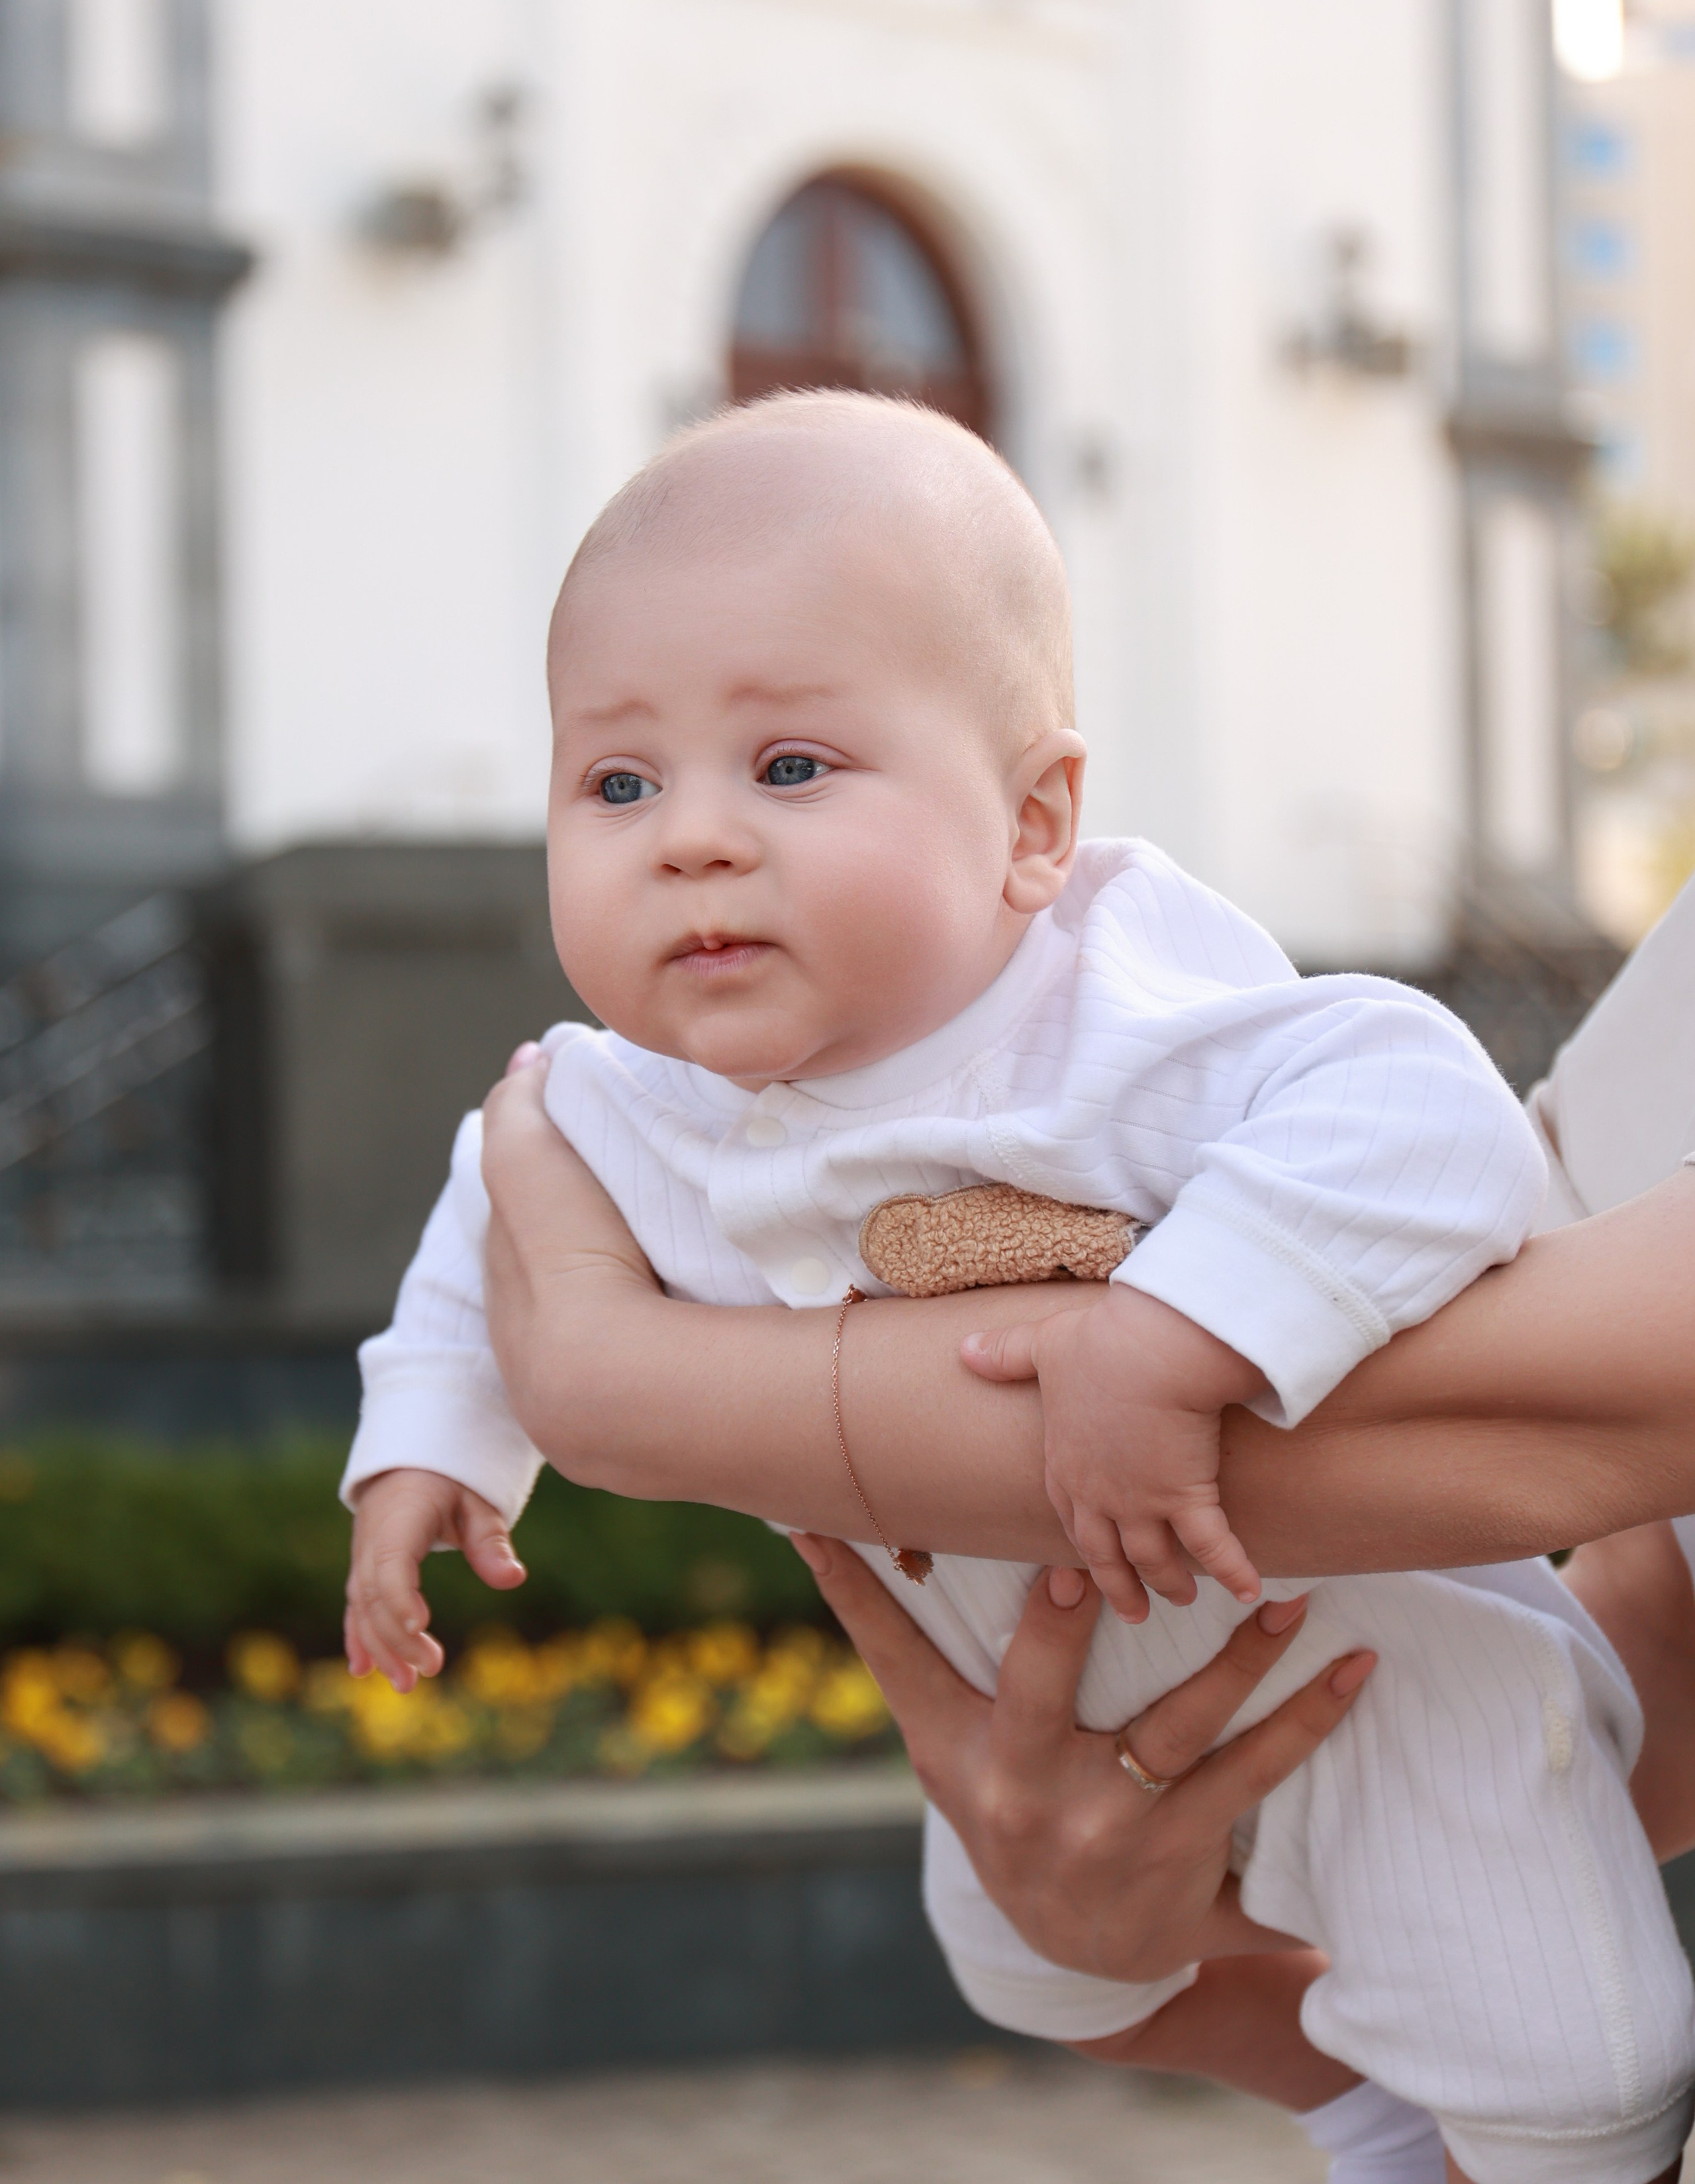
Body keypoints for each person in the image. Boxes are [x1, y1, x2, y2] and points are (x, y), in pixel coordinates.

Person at [344, 391, 1692, 2184]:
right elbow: (496, 1222)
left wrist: (1181, 1326)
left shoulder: (1114, 1018)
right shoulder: (618, 1092)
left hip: (1361, 1661)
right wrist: (430, 1440)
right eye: (618, 779)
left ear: (1036, 821)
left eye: (792, 765)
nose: (691, 837)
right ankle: (1360, 2103)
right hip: (1041, 1701)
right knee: (1034, 1959)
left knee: (1577, 2060)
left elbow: (1423, 1110)